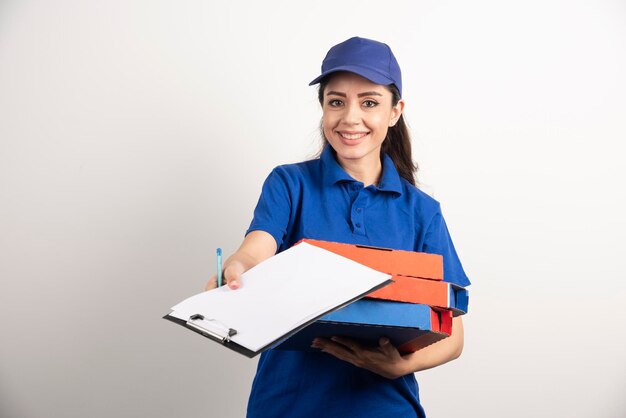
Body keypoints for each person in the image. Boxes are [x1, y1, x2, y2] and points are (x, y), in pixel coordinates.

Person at [205, 36, 471, 418]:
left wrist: (401, 366)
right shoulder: (289, 184)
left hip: (385, 408)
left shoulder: (422, 212)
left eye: (369, 102)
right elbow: (256, 247)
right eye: (336, 101)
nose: (350, 117)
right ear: (323, 108)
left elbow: (453, 334)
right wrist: (239, 267)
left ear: (395, 111)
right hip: (286, 406)